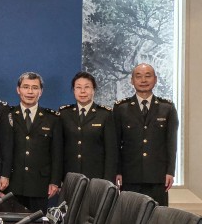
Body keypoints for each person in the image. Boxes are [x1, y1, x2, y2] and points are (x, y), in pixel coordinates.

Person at [113, 63, 178, 206]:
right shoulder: (121, 108)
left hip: (158, 176)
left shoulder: (167, 108)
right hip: (130, 176)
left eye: (148, 76)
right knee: (130, 215)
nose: (143, 80)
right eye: (138, 76)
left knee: (157, 216)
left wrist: (170, 171)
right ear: (132, 81)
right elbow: (115, 144)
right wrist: (117, 171)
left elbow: (171, 143)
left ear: (155, 79)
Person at [3, 72, 62, 213]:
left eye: (35, 88)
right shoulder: (7, 115)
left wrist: (55, 181)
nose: (30, 92)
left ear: (41, 91)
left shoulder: (52, 118)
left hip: (39, 185)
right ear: (18, 90)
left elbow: (57, 153)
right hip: (12, 184)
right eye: (26, 87)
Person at [60, 71, 116, 182]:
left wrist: (108, 180)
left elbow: (111, 152)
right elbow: (59, 149)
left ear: (93, 89)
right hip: (70, 177)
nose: (83, 91)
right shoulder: (64, 113)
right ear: (74, 90)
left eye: (87, 87)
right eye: (78, 87)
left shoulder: (105, 114)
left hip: (96, 178)